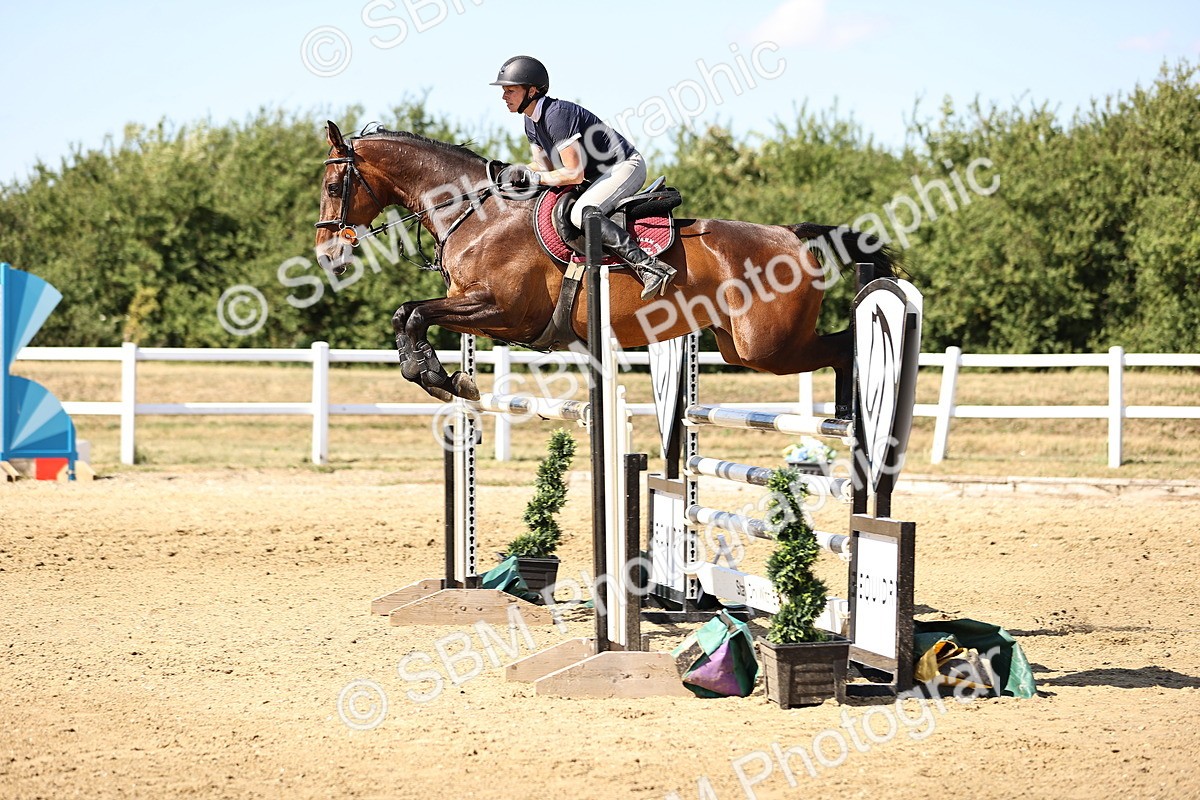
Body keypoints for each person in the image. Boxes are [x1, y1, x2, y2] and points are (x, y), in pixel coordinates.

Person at [490, 55, 676, 300]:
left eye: (510, 90)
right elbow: (542, 166)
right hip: (598, 176)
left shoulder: (556, 115)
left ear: (532, 91)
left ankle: (650, 267)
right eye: (504, 90)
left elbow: (573, 174)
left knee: (582, 212)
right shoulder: (530, 121)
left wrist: (534, 178)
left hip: (624, 166)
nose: (504, 96)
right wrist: (516, 171)